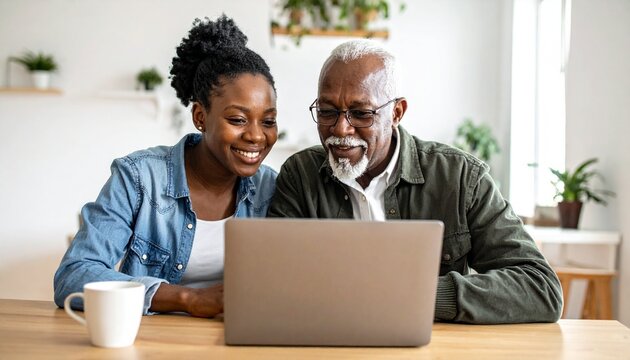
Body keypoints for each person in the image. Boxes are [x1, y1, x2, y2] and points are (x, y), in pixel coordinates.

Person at [267, 40, 563, 324]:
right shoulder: (301, 175)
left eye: (360, 114)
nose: (340, 128)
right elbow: (274, 282)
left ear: (396, 113)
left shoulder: (460, 177)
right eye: (327, 111)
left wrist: (415, 296)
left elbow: (540, 288)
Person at [54, 15, 279, 318]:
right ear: (200, 117)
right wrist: (187, 298)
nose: (256, 135)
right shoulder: (139, 178)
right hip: (152, 342)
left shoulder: (272, 189)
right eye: (237, 119)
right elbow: (74, 275)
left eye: (268, 121)